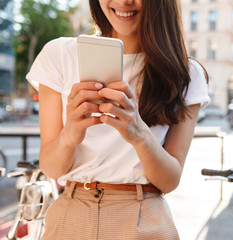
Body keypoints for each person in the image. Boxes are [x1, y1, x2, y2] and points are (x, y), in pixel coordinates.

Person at [26, 0, 210, 239]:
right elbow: (51, 168)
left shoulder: (186, 73)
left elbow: (170, 181)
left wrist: (139, 134)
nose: (124, 1)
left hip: (143, 217)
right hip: (71, 215)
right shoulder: (59, 55)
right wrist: (70, 134)